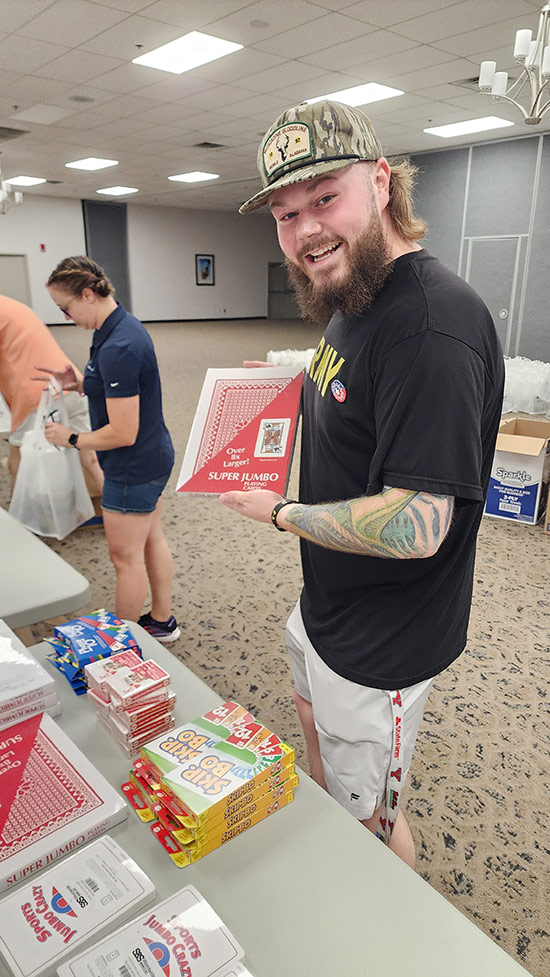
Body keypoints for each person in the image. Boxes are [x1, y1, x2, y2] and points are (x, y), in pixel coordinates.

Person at [220, 100, 505, 868]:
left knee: (372, 827)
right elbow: (354, 382)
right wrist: (282, 377)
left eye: (324, 198)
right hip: (328, 610)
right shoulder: (356, 294)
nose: (306, 229)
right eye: (286, 213)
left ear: (381, 182)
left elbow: (419, 523)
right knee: (329, 776)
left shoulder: (431, 325)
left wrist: (281, 513)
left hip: (386, 639)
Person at [41, 256, 180, 643]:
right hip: (153, 454)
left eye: (66, 308)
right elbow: (122, 391)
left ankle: (122, 645)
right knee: (151, 539)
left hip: (132, 464)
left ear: (87, 294)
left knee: (125, 558)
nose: (67, 317)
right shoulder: (116, 326)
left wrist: (70, 439)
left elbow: (123, 431)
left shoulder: (119, 345)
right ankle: (163, 621)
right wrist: (82, 384)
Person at [0, 292, 103, 499]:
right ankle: (113, 510)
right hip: (70, 383)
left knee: (17, 460)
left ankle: (22, 523)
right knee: (87, 454)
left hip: (35, 393)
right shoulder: (11, 306)